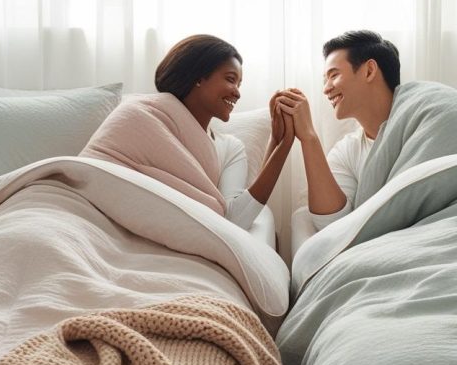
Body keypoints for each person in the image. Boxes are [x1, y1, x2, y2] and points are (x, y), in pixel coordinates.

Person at [155, 34, 295, 230]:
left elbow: (234, 220)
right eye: (231, 79)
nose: (237, 92)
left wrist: (284, 145)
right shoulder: (152, 121)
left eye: (239, 84)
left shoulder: (230, 147)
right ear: (198, 77)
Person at [274, 30, 400, 231]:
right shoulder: (347, 151)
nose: (326, 88)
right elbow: (331, 224)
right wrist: (308, 137)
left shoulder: (423, 116)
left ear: (369, 71)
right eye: (325, 79)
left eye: (334, 75)